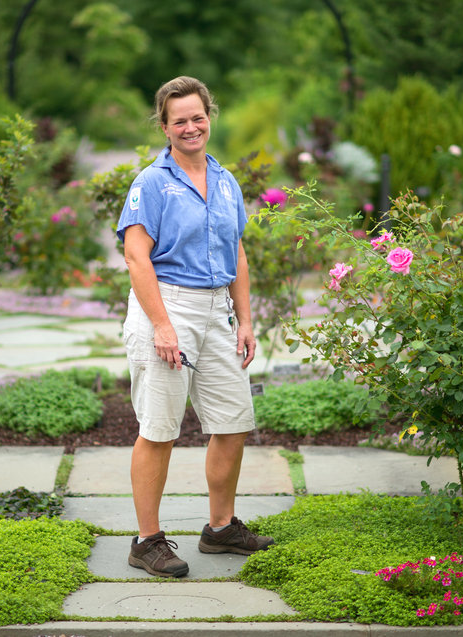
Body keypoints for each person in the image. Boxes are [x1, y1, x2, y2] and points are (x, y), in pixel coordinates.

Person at [116, 76, 274, 578]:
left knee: (233, 423)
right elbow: (136, 258)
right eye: (179, 119)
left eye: (197, 116)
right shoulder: (152, 183)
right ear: (164, 126)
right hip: (168, 308)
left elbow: (238, 252)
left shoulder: (226, 181)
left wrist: (245, 319)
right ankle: (147, 541)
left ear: (211, 117)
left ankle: (221, 528)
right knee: (159, 429)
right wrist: (163, 327)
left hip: (217, 312)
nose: (190, 126)